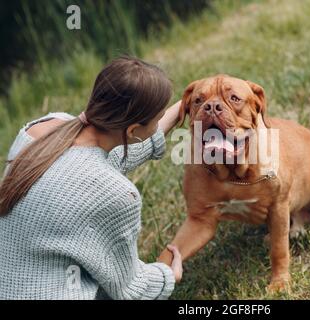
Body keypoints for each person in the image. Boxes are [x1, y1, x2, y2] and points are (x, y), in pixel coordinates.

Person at [0, 56, 183, 300]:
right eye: (157, 118)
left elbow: (111, 155)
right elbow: (130, 288)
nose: (160, 121)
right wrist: (168, 274)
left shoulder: (42, 128)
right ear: (132, 130)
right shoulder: (116, 194)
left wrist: (186, 105)